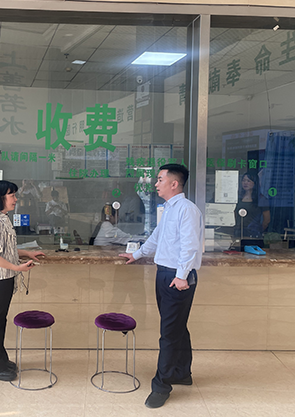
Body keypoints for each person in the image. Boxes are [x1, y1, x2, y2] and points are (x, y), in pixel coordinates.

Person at [118, 164, 204, 409]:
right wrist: (137, 255)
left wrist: (182, 275)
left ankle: (161, 386)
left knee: (168, 333)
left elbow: (190, 245)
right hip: (165, 274)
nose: (155, 184)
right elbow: (157, 237)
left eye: (159, 179)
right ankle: (181, 372)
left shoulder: (187, 210)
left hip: (177, 278)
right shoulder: (169, 208)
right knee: (176, 327)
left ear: (174, 184)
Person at [0, 180, 45, 382]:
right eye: (12, 196)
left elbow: (7, 249)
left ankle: (0, 360)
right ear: (0, 198)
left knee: (1, 320)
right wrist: (18, 267)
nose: (16, 199)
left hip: (6, 275)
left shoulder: (4, 219)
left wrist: (28, 253)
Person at [234, 171, 270, 239]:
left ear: (255, 183)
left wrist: (258, 230)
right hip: (238, 233)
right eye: (243, 180)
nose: (245, 183)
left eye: (248, 181)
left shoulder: (261, 199)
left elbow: (267, 220)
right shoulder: (239, 197)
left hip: (253, 234)